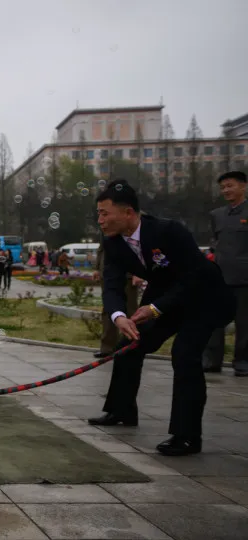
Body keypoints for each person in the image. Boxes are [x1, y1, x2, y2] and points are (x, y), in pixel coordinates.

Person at [88, 179, 234, 456]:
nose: (100, 220)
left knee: (184, 354)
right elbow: (112, 284)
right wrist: (120, 316)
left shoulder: (169, 231)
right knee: (128, 346)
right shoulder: (114, 243)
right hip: (166, 299)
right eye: (98, 213)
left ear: (128, 212)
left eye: (104, 213)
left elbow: (193, 276)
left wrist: (155, 308)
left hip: (204, 298)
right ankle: (121, 410)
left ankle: (187, 436)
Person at [203, 170, 248, 376]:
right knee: (214, 321)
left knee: (244, 323)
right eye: (223, 187)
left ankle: (242, 362)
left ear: (243, 186)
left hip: (244, 278)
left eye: (230, 186)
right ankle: (212, 360)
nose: (226, 190)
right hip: (219, 277)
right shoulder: (217, 215)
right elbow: (215, 243)